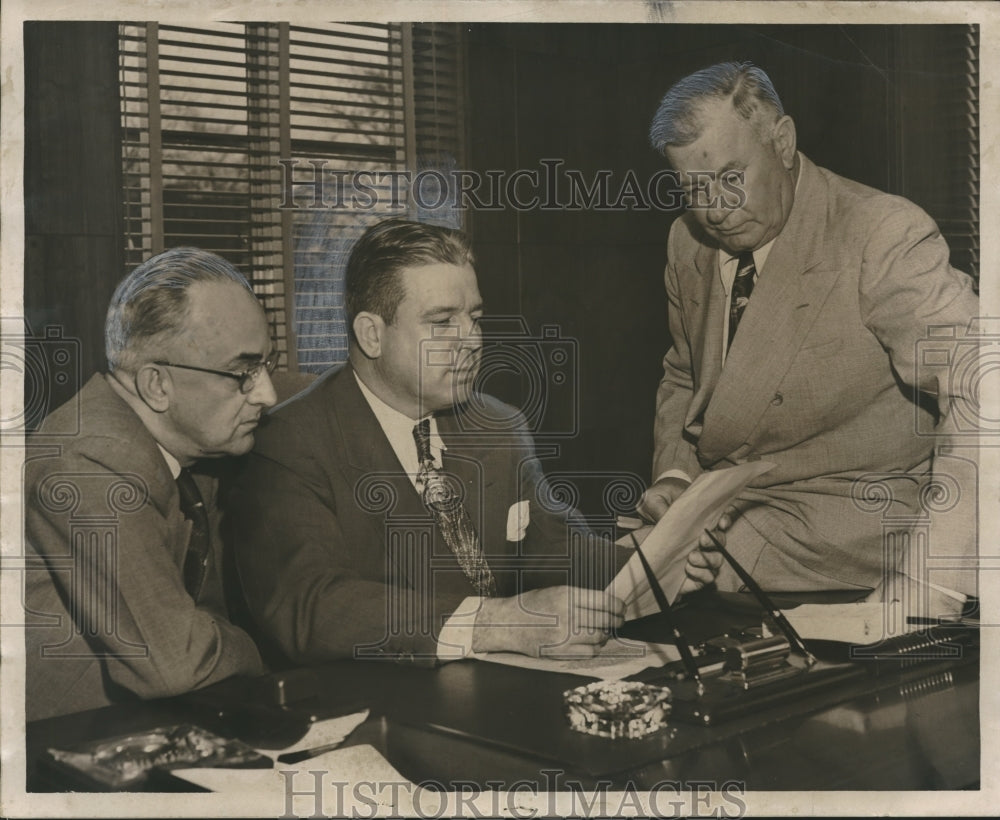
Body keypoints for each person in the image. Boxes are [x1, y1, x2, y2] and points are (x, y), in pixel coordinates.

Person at [230, 218, 727, 666]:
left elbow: (552, 550)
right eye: (442, 322)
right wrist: (497, 623)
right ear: (371, 335)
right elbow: (309, 606)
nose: (472, 341)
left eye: (475, 317)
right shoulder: (289, 443)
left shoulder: (496, 422)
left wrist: (659, 562)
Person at [638, 62, 978, 602]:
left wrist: (933, 583)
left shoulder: (881, 233)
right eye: (693, 188)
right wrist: (675, 482)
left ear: (784, 142)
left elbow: (981, 391)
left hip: (856, 525)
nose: (716, 212)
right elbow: (686, 373)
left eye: (731, 178)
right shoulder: (686, 242)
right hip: (722, 511)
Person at [24, 247, 276, 721]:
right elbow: (174, 664)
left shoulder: (179, 438)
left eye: (266, 365)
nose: (267, 393)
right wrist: (257, 647)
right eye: (244, 373)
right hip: (50, 751)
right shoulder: (91, 465)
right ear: (157, 385)